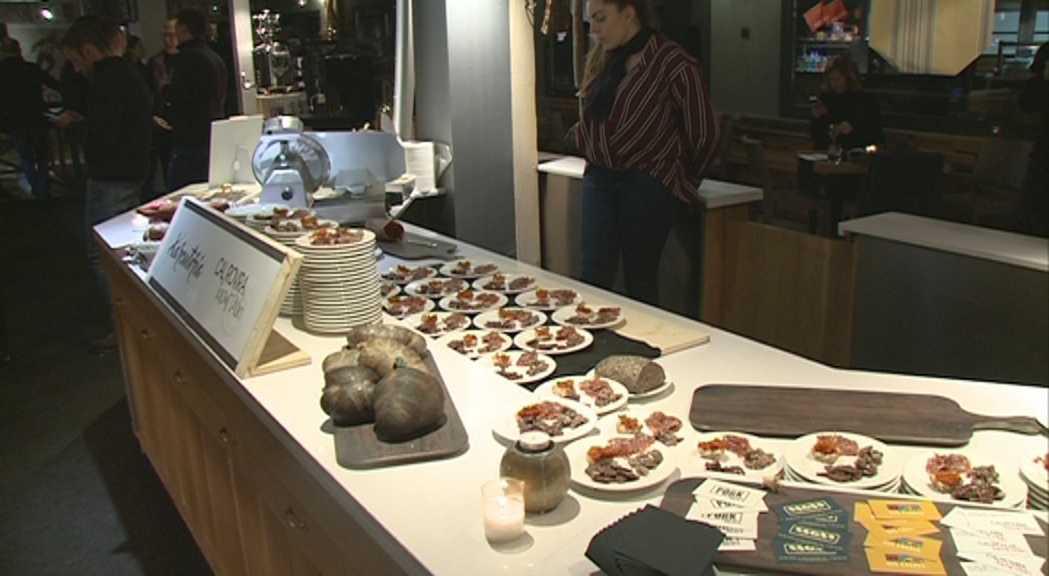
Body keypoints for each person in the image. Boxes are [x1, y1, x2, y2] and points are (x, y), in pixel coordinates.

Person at [574, 0, 719, 306]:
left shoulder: (674, 64)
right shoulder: (604, 61)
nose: (595, 30)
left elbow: (704, 134)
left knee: (640, 281)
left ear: (629, 14)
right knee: (593, 274)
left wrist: (680, 181)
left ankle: (643, 350)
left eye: (600, 19)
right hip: (600, 177)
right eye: (590, 22)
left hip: (646, 179)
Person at [53, 16, 152, 353]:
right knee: (123, 254)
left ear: (88, 49)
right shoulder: (129, 73)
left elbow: (103, 137)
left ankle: (125, 330)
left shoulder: (109, 81)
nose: (77, 69)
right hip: (129, 174)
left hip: (112, 178)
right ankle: (131, 328)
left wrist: (73, 127)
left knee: (106, 258)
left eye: (76, 61)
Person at [166, 8, 227, 191]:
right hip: (212, 135)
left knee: (181, 195)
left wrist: (165, 92)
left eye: (176, 27)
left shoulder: (187, 59)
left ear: (184, 28)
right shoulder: (215, 58)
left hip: (190, 139)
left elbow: (179, 97)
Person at [0, 39, 61, 199]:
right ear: (19, 50)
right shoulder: (30, 69)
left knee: (25, 156)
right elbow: (56, 85)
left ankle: (35, 186)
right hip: (35, 118)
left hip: (14, 121)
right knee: (42, 156)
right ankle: (42, 188)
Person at [1011, 43, 1048, 238]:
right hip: (1043, 157)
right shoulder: (1039, 85)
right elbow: (1029, 103)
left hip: (1042, 157)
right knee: (1030, 218)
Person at [810, 54, 883, 151]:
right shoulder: (825, 100)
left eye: (837, 79)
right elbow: (817, 136)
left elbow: (874, 133)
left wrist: (853, 129)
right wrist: (818, 118)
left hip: (856, 154)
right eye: (831, 80)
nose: (834, 84)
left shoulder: (866, 101)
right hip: (827, 154)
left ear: (848, 77)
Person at [149, 18, 180, 189]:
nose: (168, 39)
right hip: (163, 119)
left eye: (172, 35)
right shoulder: (156, 62)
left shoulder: (187, 59)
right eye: (165, 35)